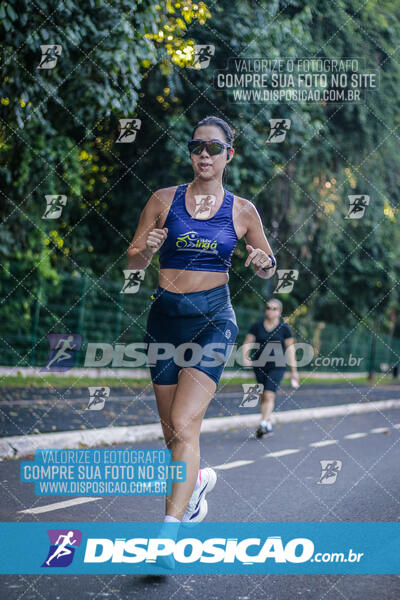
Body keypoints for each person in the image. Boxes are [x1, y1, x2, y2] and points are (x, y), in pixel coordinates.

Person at [126, 115, 277, 533]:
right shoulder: (162, 200)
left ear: (229, 154)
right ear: (191, 153)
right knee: (172, 432)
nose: (204, 155)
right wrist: (147, 250)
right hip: (164, 320)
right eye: (197, 148)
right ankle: (195, 488)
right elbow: (133, 258)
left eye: (213, 148)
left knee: (187, 422)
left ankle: (168, 534)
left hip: (213, 320)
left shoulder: (243, 211)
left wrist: (264, 262)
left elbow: (267, 264)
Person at [242, 298, 299, 437]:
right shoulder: (257, 326)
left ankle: (263, 423)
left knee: (269, 394)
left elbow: (290, 349)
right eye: (268, 308)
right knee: (263, 396)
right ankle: (267, 423)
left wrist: (294, 371)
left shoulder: (284, 328)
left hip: (277, 365)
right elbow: (248, 343)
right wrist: (246, 358)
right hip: (260, 365)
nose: (270, 311)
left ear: (279, 312)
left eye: (274, 308)